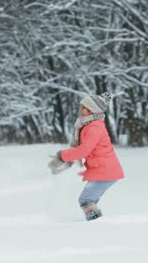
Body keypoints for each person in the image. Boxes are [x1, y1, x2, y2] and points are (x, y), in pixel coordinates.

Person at [48, 93, 124, 221]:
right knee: (89, 200)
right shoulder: (89, 125)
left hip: (106, 171)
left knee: (86, 200)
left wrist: (63, 156)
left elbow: (84, 150)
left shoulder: (94, 127)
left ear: (92, 110)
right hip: (103, 170)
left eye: (84, 107)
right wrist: (68, 158)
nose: (81, 110)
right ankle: (96, 223)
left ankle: (96, 225)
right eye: (81, 107)